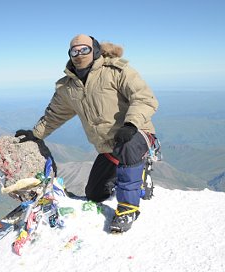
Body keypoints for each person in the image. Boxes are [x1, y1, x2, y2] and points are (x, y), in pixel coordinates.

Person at [15, 34, 158, 233]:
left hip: (137, 135)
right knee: (95, 194)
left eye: (85, 49)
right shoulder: (68, 86)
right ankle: (132, 174)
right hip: (109, 147)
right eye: (75, 51)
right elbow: (55, 115)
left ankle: (128, 209)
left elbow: (145, 99)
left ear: (96, 50)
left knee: (129, 146)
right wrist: (35, 134)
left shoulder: (116, 71)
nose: (79, 54)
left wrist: (131, 124)